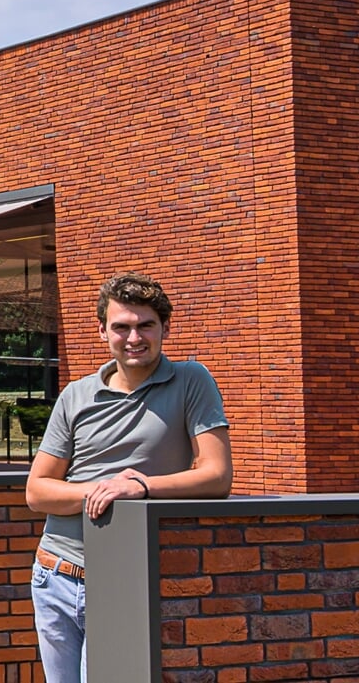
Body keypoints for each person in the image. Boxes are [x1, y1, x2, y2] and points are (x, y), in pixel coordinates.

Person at [25, 272, 231, 682]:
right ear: (103, 331)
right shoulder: (75, 395)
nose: (133, 337)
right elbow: (37, 490)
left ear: (165, 329)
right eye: (121, 326)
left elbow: (216, 476)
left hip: (123, 578)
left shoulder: (191, 381)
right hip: (54, 575)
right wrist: (101, 492)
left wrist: (139, 487)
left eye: (145, 325)